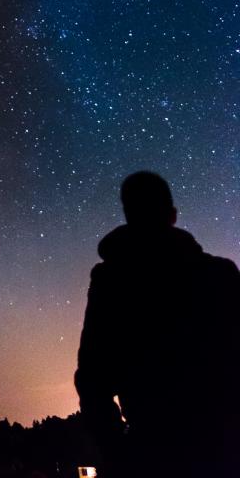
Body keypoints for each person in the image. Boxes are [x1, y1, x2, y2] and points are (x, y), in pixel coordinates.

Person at [75, 171, 240, 477]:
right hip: (223, 449)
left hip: (151, 452)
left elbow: (92, 381)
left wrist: (119, 452)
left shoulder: (112, 284)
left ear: (128, 215)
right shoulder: (220, 276)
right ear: (173, 216)